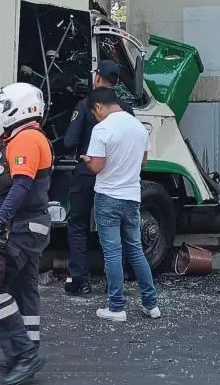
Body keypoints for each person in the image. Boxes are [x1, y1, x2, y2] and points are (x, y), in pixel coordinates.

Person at [0, 83, 52, 384]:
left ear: (17, 107)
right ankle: (26, 350)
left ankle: (23, 353)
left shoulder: (27, 138)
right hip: (25, 226)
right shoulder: (20, 138)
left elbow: (21, 185)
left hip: (21, 227)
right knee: (23, 289)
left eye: (0, 108)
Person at [82, 90, 161, 322]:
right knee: (136, 250)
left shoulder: (102, 129)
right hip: (132, 197)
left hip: (108, 197)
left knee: (113, 253)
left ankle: (116, 307)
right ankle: (151, 304)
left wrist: (88, 161)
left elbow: (97, 167)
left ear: (98, 107)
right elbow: (143, 162)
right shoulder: (138, 126)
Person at [62, 60, 134, 295]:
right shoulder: (126, 109)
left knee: (78, 224)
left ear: (97, 78)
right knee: (114, 227)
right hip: (115, 175)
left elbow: (69, 142)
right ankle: (116, 278)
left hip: (86, 172)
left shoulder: (85, 105)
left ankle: (79, 279)